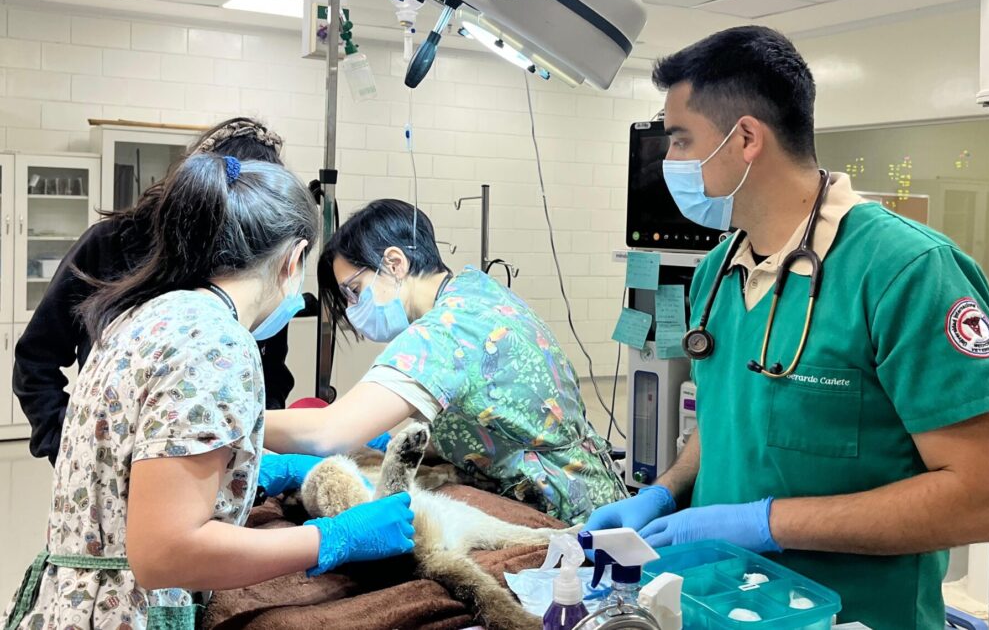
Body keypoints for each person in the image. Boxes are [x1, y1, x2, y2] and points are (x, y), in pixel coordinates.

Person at [583, 26, 989, 629]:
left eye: (682, 140)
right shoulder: (718, 270)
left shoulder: (905, 271)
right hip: (721, 604)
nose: (670, 163)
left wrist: (764, 523)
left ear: (745, 139)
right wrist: (666, 491)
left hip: (855, 616)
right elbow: (729, 419)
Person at [2, 155, 414, 630]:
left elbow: (154, 451)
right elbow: (166, 552)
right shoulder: (216, 340)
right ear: (293, 258)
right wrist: (335, 537)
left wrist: (251, 466)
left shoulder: (148, 312)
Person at [263, 199, 627, 524]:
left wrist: (234, 422)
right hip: (597, 491)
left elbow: (330, 431)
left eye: (354, 292)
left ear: (394, 263)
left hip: (567, 515)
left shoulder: (445, 331)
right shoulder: (475, 291)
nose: (354, 310)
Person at [14, 118, 298, 466]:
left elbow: (271, 377)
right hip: (106, 461)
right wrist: (63, 441)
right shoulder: (112, 244)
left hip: (206, 464)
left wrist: (252, 447)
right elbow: (36, 356)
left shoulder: (256, 264)